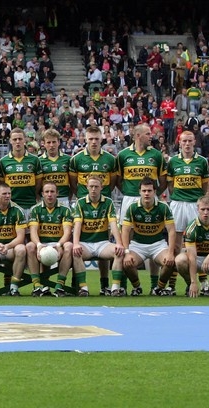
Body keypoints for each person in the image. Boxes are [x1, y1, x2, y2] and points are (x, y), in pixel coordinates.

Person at [117, 122, 167, 291]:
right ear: (138, 136)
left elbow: (163, 180)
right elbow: (118, 180)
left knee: (154, 237)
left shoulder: (156, 155)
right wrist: (129, 192)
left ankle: (155, 285)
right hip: (130, 198)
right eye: (147, 133)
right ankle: (124, 285)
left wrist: (154, 193)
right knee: (126, 241)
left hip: (151, 199)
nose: (150, 136)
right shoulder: (123, 155)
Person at [68, 124, 118, 295]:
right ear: (85, 139)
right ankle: (79, 285)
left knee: (103, 240)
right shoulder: (76, 159)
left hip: (104, 204)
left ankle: (105, 285)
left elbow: (111, 183)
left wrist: (100, 193)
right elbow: (73, 184)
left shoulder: (110, 159)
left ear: (102, 139)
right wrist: (84, 196)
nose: (94, 142)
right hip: (83, 203)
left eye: (97, 139)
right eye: (90, 139)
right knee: (79, 241)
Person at [166, 129, 209, 294]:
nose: (187, 144)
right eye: (184, 141)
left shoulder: (202, 162)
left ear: (194, 142)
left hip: (194, 204)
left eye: (190, 141)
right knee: (176, 246)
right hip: (177, 204)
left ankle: (203, 280)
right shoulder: (172, 162)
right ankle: (172, 284)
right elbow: (170, 186)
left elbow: (204, 186)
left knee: (197, 245)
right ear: (179, 142)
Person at [71, 175, 126, 297]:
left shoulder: (108, 202)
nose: (93, 189)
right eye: (91, 186)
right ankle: (83, 288)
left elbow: (113, 224)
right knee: (75, 252)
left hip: (102, 243)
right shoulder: (80, 203)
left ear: (102, 187)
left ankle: (115, 288)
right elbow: (77, 225)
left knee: (119, 251)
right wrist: (75, 244)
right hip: (85, 243)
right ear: (87, 187)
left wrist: (119, 243)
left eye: (96, 186)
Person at [121, 176, 176, 296]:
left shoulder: (163, 207)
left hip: (158, 244)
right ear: (139, 191)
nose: (147, 193)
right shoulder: (132, 207)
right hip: (138, 245)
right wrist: (126, 252)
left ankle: (159, 288)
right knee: (126, 262)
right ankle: (137, 287)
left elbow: (171, 231)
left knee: (170, 262)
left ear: (155, 192)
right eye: (144, 191)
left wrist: (171, 253)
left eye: (149, 191)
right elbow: (125, 231)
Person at [26, 181, 74, 297]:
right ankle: (37, 286)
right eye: (46, 192)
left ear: (57, 193)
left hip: (58, 243)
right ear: (42, 194)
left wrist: (58, 245)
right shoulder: (35, 209)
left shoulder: (65, 210)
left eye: (52, 191)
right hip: (41, 243)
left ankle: (59, 286)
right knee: (29, 246)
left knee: (69, 246)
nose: (49, 194)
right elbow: (33, 231)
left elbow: (67, 233)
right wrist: (38, 245)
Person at [0, 127, 42, 221]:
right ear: (10, 141)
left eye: (20, 139)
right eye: (15, 139)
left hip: (30, 204)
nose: (17, 142)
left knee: (31, 234)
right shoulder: (3, 161)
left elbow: (38, 182)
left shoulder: (35, 160)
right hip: (11, 206)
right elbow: (2, 185)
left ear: (25, 140)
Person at [39, 128, 72, 206]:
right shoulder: (39, 161)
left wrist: (69, 197)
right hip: (46, 200)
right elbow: (38, 184)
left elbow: (73, 182)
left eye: (54, 142)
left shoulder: (68, 159)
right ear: (44, 144)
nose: (51, 145)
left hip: (64, 198)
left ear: (59, 142)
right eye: (48, 142)